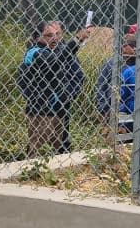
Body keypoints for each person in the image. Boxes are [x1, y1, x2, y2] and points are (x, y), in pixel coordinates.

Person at [20, 21, 89, 155]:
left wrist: (66, 96)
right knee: (36, 150)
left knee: (61, 148)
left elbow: (72, 71)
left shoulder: (53, 51)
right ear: (37, 37)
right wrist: (77, 40)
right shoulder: (35, 53)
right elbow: (56, 60)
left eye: (56, 35)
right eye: (48, 35)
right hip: (41, 111)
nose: (54, 38)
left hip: (58, 108)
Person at [95, 24, 138, 121]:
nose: (135, 49)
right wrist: (103, 107)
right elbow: (101, 85)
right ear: (123, 47)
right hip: (112, 109)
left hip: (133, 109)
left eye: (136, 46)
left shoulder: (139, 65)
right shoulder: (112, 63)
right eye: (132, 46)